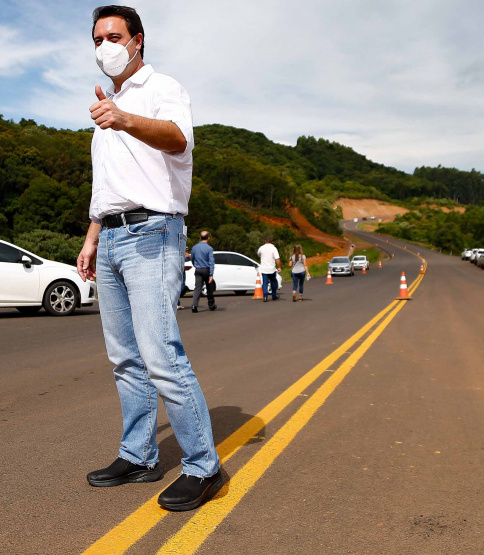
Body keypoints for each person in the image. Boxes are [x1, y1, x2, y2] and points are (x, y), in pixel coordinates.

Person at [76, 5, 223, 512]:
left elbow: (178, 139)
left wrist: (124, 119)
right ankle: (138, 456)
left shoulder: (163, 88)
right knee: (124, 358)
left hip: (152, 231)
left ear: (137, 40)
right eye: (97, 40)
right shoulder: (110, 102)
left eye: (113, 37)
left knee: (161, 355)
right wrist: (92, 237)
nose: (104, 47)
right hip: (112, 235)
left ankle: (203, 465)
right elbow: (110, 185)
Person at [189, 231, 216, 313]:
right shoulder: (209, 248)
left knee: (197, 288)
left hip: (198, 269)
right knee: (209, 287)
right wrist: (211, 274)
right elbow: (211, 262)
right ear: (208, 238)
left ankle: (194, 305)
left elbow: (192, 258)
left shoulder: (194, 247)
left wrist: (195, 265)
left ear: (200, 238)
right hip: (206, 269)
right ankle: (211, 305)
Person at [256, 237, 281, 302]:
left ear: (265, 241)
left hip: (264, 269)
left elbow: (258, 254)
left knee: (265, 283)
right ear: (272, 241)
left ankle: (265, 296)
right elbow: (277, 258)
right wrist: (279, 267)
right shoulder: (274, 248)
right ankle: (274, 295)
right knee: (273, 281)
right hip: (272, 268)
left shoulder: (261, 248)